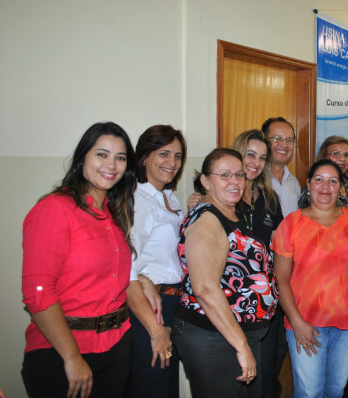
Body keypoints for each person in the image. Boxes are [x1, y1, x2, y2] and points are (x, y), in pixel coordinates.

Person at [22, 122, 137, 398]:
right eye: (102, 154)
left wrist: (142, 282)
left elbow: (111, 276)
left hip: (117, 344)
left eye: (120, 158)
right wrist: (72, 357)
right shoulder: (54, 209)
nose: (112, 164)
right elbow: (38, 294)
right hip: (63, 351)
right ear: (82, 157)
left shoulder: (114, 213)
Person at [171, 148, 277, 398]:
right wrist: (241, 345)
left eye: (239, 175)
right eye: (225, 175)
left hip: (236, 335)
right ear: (206, 181)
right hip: (214, 338)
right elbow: (205, 288)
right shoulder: (208, 219)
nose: (235, 181)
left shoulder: (230, 212)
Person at [272, 160, 348, 398]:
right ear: (308, 184)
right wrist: (296, 323)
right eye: (319, 180)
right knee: (309, 392)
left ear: (340, 188)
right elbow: (281, 279)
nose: (325, 187)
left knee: (336, 390)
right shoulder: (291, 224)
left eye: (333, 181)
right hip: (305, 323)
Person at [127, 125, 186, 398]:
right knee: (152, 387)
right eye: (164, 153)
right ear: (144, 157)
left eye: (177, 155)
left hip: (172, 303)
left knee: (167, 386)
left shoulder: (169, 198)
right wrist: (155, 329)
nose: (172, 162)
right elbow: (125, 265)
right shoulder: (138, 200)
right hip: (149, 308)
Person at [230, 130, 285, 398]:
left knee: (265, 372)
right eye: (250, 154)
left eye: (262, 157)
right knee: (235, 374)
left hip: (266, 302)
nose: (256, 162)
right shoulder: (222, 195)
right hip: (232, 302)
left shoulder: (269, 199)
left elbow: (282, 244)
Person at [298, 136, 348, 213]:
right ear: (324, 157)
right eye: (335, 153)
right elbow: (306, 219)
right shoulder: (314, 187)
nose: (342, 159)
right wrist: (342, 212)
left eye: (346, 155)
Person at [261, 117, 301, 217]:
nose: (284, 144)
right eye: (277, 138)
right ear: (264, 141)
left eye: (289, 140)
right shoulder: (254, 181)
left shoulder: (294, 182)